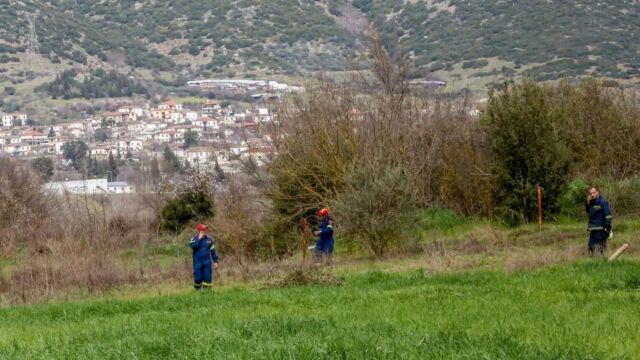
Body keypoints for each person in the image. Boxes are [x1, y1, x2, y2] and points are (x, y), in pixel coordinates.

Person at [190, 224, 219, 290]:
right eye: (203, 229)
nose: (205, 231)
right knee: (198, 278)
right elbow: (193, 246)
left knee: (207, 278)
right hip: (197, 263)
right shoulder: (194, 239)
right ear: (200, 231)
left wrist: (215, 261)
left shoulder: (209, 240)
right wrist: (199, 239)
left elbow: (213, 251)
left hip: (207, 263)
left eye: (205, 229)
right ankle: (197, 291)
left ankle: (207, 293)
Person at [586, 187, 612, 256]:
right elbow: (588, 211)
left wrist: (607, 227)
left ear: (598, 192)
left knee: (600, 248)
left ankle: (602, 262)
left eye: (593, 192)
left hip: (600, 229)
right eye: (591, 193)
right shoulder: (592, 202)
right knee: (590, 248)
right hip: (593, 228)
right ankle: (593, 263)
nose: (592, 194)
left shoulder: (602, 202)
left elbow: (608, 215)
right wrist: (588, 203)